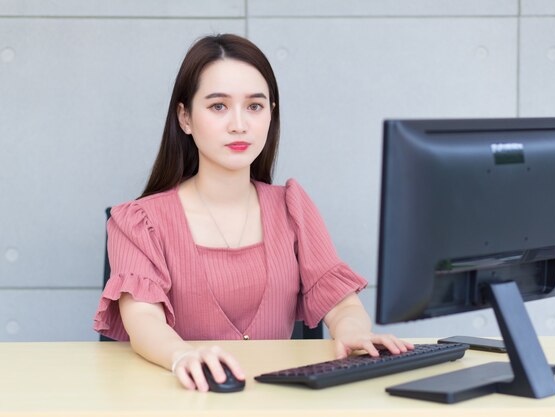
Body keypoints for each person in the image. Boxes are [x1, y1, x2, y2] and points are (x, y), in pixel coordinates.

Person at [93, 33, 413, 392]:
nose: (239, 125)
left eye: (255, 106)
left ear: (270, 115)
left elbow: (341, 305)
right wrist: (182, 356)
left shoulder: (292, 207)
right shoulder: (138, 221)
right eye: (218, 106)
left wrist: (354, 333)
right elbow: (143, 320)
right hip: (183, 400)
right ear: (185, 117)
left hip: (280, 401)